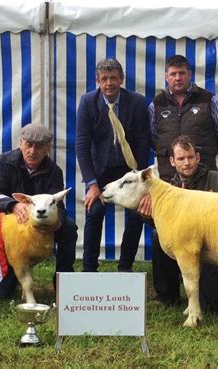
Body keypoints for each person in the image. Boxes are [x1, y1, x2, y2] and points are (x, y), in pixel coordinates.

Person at [140, 136, 218, 312]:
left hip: (214, 248)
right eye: (181, 158)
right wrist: (148, 216)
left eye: (190, 157)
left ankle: (205, 294)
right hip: (184, 249)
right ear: (172, 161)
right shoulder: (167, 189)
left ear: (198, 158)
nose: (187, 163)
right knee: (158, 237)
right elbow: (164, 227)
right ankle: (167, 295)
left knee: (215, 308)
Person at [0, 122, 77, 298]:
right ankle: (7, 278)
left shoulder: (54, 171)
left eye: (39, 147)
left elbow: (58, 205)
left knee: (69, 228)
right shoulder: (5, 162)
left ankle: (63, 283)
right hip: (11, 228)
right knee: (0, 295)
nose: (33, 151)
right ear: (21, 143)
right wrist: (13, 205)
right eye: (29, 145)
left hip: (40, 223)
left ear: (48, 148)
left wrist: (57, 223)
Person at [76, 58, 150, 272]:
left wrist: (139, 177)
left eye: (114, 78)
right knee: (95, 211)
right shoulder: (88, 102)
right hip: (101, 171)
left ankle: (125, 267)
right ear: (97, 81)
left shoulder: (136, 102)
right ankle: (89, 269)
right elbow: (82, 145)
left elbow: (143, 141)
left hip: (129, 168)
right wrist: (91, 184)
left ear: (122, 80)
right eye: (105, 79)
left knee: (136, 216)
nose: (109, 83)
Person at [148, 54, 218, 182]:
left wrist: (207, 151)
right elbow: (153, 137)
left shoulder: (208, 99)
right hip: (169, 178)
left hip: (204, 176)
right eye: (173, 74)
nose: (177, 78)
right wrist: (170, 153)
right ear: (166, 77)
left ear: (190, 74)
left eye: (182, 73)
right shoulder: (156, 104)